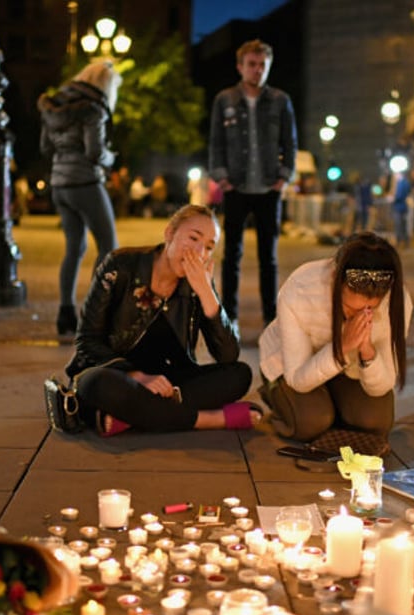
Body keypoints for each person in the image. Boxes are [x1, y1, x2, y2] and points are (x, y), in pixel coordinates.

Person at [63, 204, 256, 435]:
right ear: (169, 234)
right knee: (99, 384)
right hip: (116, 374)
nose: (199, 252)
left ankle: (132, 417)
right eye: (193, 238)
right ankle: (208, 419)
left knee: (240, 375)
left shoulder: (199, 284)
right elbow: (87, 341)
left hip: (170, 382)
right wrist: (136, 376)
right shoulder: (120, 266)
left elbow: (228, 356)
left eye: (208, 247)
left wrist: (207, 295)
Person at [258, 232, 411, 445]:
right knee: (311, 422)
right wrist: (343, 346)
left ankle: (333, 405)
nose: (359, 316)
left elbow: (384, 383)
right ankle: (277, 398)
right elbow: (297, 379)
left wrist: (367, 352)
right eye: (350, 307)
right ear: (334, 278)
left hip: (348, 371)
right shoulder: (301, 288)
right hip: (289, 367)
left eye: (370, 309)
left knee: (376, 423)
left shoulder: (396, 300)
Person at [209, 39, 298, 327]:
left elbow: (290, 142)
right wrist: (222, 178)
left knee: (268, 258)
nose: (257, 70)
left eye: (262, 65)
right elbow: (216, 142)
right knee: (231, 255)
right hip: (235, 186)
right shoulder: (225, 99)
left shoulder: (281, 100)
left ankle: (270, 317)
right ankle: (230, 316)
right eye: (252, 64)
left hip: (268, 188)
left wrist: (284, 177)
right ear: (240, 66)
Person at [38, 60, 121, 337]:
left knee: (75, 248)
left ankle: (65, 312)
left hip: (59, 184)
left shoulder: (53, 106)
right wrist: (112, 158)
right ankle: (95, 314)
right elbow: (95, 152)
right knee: (109, 246)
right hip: (85, 182)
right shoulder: (92, 109)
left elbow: (45, 147)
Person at [390, 170, 412, 248]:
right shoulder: (406, 183)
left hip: (399, 207)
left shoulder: (400, 183)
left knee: (398, 225)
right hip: (404, 207)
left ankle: (399, 241)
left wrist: (392, 199)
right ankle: (406, 242)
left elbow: (399, 196)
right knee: (404, 225)